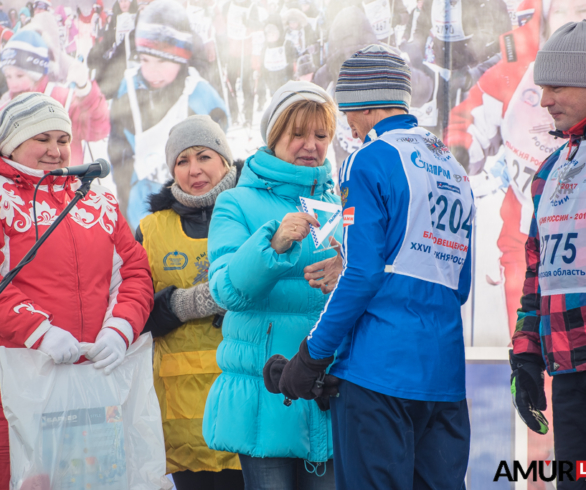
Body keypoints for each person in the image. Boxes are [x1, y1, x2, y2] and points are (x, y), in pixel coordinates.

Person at [268, 45, 474, 489]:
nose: (348, 126)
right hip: (445, 376)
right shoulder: (453, 168)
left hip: (379, 376)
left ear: (361, 104)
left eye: (347, 112)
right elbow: (461, 284)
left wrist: (312, 356)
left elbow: (363, 273)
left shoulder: (369, 158)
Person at [0, 92, 153, 489]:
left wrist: (120, 329)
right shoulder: (3, 200)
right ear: (11, 145)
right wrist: (40, 331)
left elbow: (134, 271)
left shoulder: (97, 196)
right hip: (22, 384)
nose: (56, 150)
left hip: (94, 387)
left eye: (63, 139)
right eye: (42, 139)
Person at [202, 80, 342, 490]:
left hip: (325, 391)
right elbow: (225, 291)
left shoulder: (339, 202)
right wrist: (273, 242)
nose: (310, 145)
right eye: (297, 133)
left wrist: (345, 268)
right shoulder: (235, 202)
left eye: (320, 135)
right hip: (265, 393)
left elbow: (366, 284)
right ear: (273, 135)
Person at [136, 115, 244, 490]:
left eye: (204, 156)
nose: (194, 170)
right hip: (182, 416)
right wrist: (184, 304)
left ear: (225, 161)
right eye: (182, 161)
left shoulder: (253, 212)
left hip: (247, 402)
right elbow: (135, 311)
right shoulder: (151, 230)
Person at [511, 19, 586, 489]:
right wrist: (526, 356)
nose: (545, 100)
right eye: (541, 88)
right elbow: (538, 274)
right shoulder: (551, 171)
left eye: (556, 86)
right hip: (570, 370)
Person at [108, 0, 228, 231]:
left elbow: (219, 159)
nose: (152, 71)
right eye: (145, 60)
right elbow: (118, 148)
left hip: (193, 213)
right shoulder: (129, 92)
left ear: (181, 57)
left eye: (162, 61)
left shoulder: (199, 95)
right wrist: (126, 193)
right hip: (141, 210)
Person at [0, 29, 111, 166]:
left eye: (20, 75)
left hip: (62, 183)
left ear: (37, 74)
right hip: (17, 185)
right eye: (9, 76)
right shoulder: (5, 106)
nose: (13, 84)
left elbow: (97, 129)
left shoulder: (63, 99)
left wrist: (84, 90)